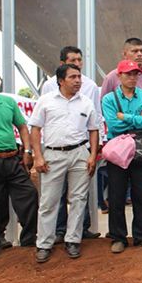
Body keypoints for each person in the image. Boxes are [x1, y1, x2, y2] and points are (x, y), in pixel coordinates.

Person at [30, 64, 99, 263]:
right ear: (61, 80)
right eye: (73, 77)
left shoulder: (86, 102)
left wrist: (92, 155)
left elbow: (94, 130)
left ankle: (73, 240)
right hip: (53, 154)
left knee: (78, 199)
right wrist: (38, 156)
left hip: (79, 153)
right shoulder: (45, 101)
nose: (78, 80)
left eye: (79, 77)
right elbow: (35, 129)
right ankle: (44, 243)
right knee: (49, 201)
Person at [41, 46, 102, 243]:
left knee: (80, 195)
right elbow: (40, 123)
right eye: (73, 60)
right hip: (55, 149)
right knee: (53, 196)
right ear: (62, 65)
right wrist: (38, 153)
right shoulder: (49, 88)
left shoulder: (90, 86)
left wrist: (94, 150)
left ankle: (79, 232)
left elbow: (95, 119)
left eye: (79, 60)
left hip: (81, 147)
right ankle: (57, 232)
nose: (77, 64)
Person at [102, 60, 142, 253]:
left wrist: (125, 117)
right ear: (119, 76)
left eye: (135, 74)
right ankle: (118, 237)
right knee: (117, 195)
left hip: (140, 148)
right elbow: (113, 125)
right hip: (118, 150)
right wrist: (138, 119)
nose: (132, 78)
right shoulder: (109, 99)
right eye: (128, 74)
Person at [0, 71, 38, 261]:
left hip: (12, 157)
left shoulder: (7, 102)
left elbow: (22, 126)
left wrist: (28, 151)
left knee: (28, 194)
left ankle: (29, 238)